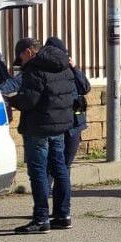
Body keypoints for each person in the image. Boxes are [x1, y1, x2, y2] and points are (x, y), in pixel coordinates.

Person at [8, 37, 80, 234]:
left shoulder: (34, 69)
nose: (21, 63)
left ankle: (41, 218)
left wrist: (11, 101)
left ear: (29, 52)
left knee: (38, 171)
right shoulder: (64, 65)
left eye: (21, 58)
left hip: (38, 127)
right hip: (60, 126)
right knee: (60, 169)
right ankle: (63, 215)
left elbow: (29, 101)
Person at [45, 37, 93, 168]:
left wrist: (75, 68)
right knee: (52, 164)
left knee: (67, 163)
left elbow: (85, 88)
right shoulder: (46, 70)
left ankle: (61, 189)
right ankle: (47, 189)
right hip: (56, 123)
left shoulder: (71, 69)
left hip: (74, 122)